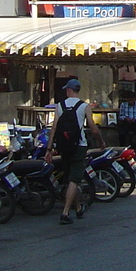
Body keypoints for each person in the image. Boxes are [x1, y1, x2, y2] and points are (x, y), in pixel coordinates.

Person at [45, 78, 103, 225]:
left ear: (68, 90)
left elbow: (54, 128)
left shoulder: (60, 106)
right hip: (79, 145)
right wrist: (101, 141)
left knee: (71, 178)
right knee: (74, 180)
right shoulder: (84, 106)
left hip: (64, 146)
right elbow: (94, 129)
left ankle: (77, 208)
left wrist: (49, 149)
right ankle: (65, 213)